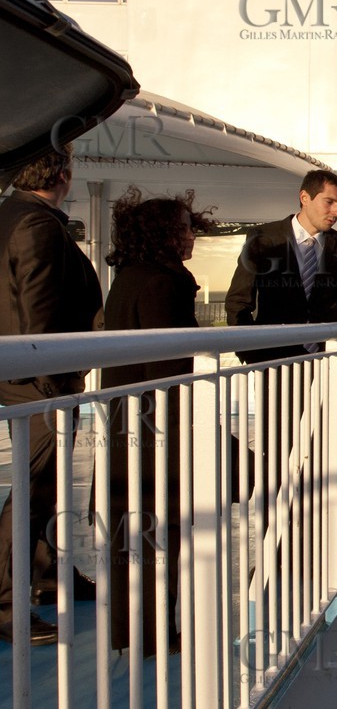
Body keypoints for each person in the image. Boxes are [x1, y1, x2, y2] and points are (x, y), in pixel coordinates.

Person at [101, 187, 215, 653]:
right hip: (157, 432)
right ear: (166, 235)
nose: (192, 237)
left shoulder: (129, 277)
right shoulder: (163, 283)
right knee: (157, 529)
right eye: (185, 229)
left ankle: (134, 631)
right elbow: (169, 370)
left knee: (135, 532)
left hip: (129, 425)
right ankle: (151, 632)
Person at [0, 144, 104, 645]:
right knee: (34, 490)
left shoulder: (12, 214)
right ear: (61, 174)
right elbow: (37, 306)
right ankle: (6, 605)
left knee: (43, 488)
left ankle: (44, 578)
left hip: (29, 381)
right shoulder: (38, 224)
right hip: (40, 385)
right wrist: (56, 385)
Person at [224, 170, 337, 362]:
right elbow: (238, 301)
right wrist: (249, 352)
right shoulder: (263, 238)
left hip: (326, 359)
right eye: (329, 202)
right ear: (304, 198)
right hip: (271, 358)